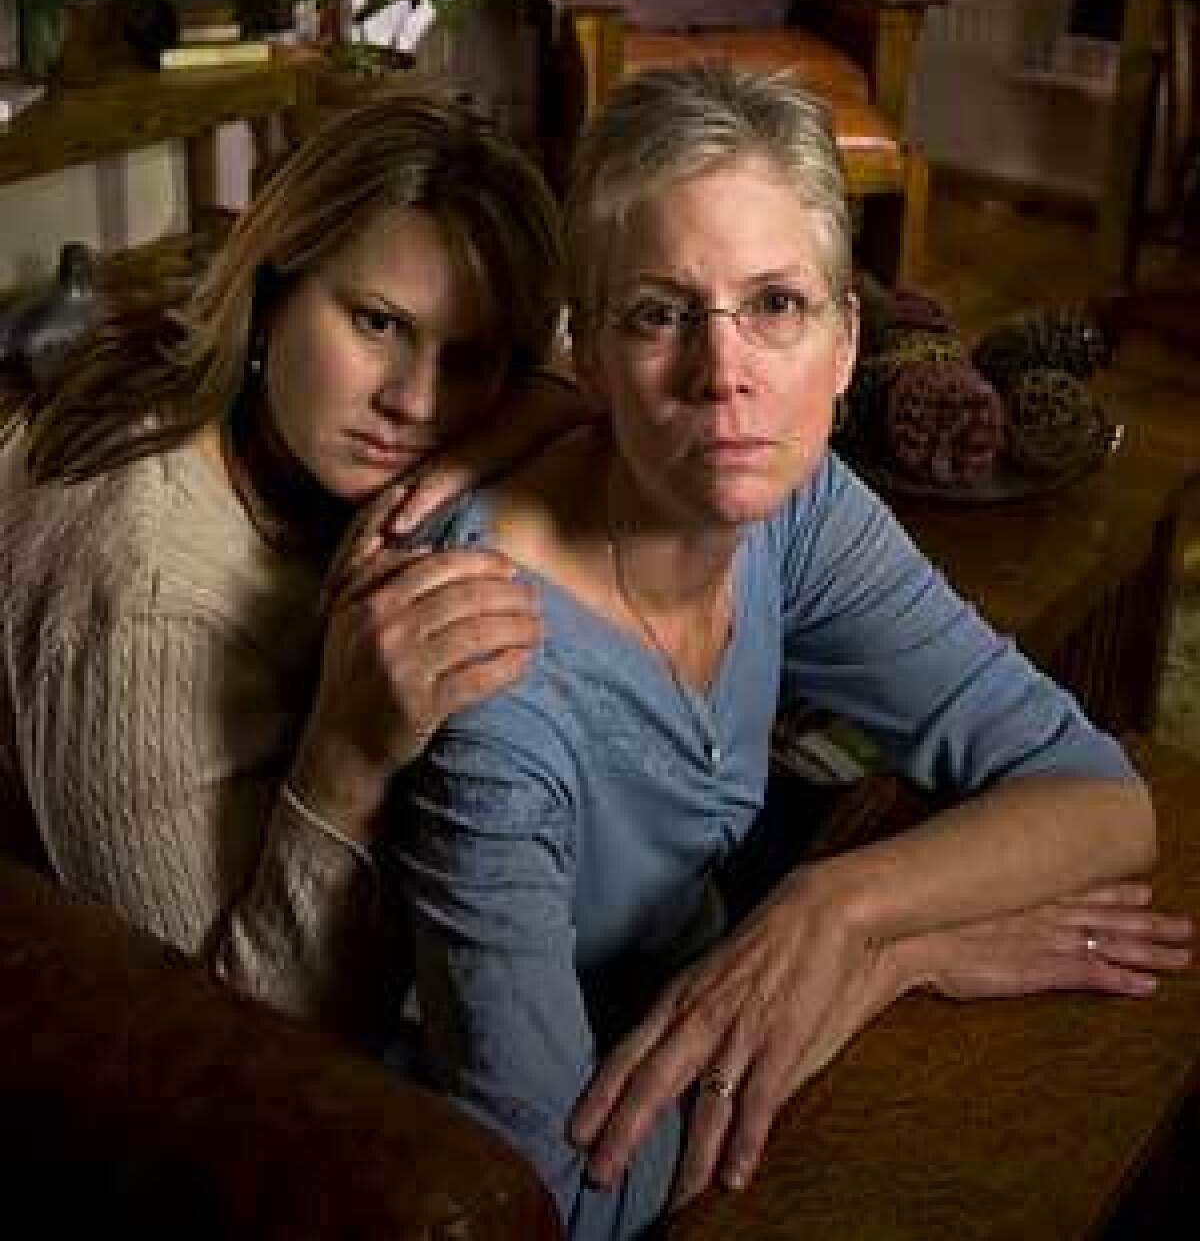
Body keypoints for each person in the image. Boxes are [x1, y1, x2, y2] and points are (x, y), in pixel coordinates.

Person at [394, 62, 1193, 1239]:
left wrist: (847, 912)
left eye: (777, 304)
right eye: (662, 311)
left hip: (698, 1005)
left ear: (846, 338)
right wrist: (880, 971)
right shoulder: (494, 678)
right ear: (591, 353)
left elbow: (1100, 796)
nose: (727, 375)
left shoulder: (798, 499)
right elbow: (548, 1199)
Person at [0, 90, 574, 1038]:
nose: (416, 404)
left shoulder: (285, 407)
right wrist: (344, 763)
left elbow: (564, 365)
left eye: (467, 361)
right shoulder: (143, 595)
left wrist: (511, 426)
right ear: (273, 292)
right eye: (378, 324)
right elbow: (220, 1053)